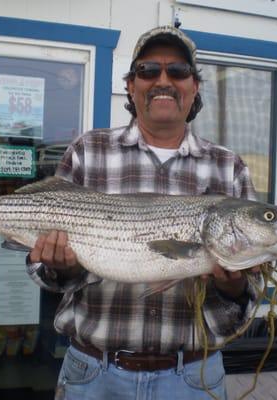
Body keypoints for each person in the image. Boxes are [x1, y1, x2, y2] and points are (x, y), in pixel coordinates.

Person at [26, 25, 261, 400]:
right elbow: (45, 273)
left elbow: (246, 299)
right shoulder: (89, 151)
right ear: (131, 86)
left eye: (178, 71)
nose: (163, 80)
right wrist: (62, 266)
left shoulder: (228, 167)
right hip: (94, 373)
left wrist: (232, 284)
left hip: (193, 379)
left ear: (195, 87)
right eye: (149, 70)